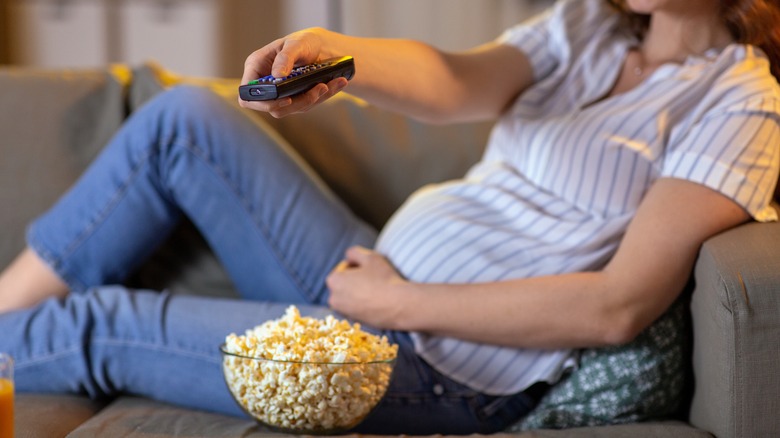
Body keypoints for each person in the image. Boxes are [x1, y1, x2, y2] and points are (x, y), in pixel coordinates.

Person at [1, 0, 779, 434]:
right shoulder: (588, 28)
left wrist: (399, 307)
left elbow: (617, 306)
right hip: (370, 280)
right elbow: (456, 82)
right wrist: (338, 57)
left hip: (436, 369)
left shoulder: (741, 102)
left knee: (94, 327)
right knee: (185, 120)